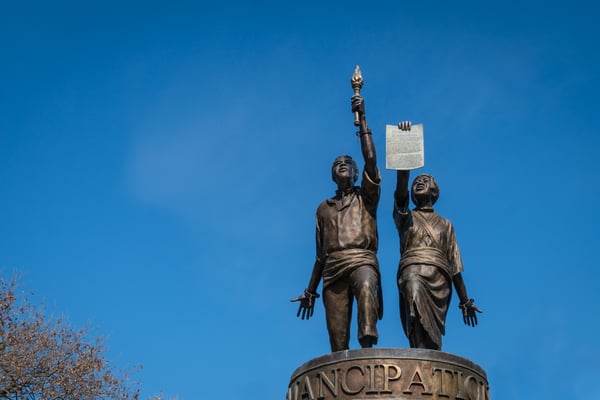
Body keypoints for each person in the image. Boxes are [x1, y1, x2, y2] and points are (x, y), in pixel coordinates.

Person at [292, 94, 383, 352]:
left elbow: (371, 160)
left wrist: (362, 120)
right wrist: (310, 291)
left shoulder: (367, 197)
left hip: (361, 260)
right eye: (337, 164)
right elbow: (320, 256)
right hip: (332, 269)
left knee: (366, 286)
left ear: (356, 174)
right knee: (337, 338)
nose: (342, 165)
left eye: (347, 164)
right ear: (332, 175)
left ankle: (368, 350)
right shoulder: (323, 209)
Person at [393, 125, 482, 350]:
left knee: (432, 334)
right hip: (412, 269)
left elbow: (455, 267)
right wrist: (404, 148)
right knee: (413, 294)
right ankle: (419, 351)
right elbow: (401, 189)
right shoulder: (405, 217)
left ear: (435, 191)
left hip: (439, 279)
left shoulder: (446, 224)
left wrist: (465, 301)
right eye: (416, 183)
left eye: (424, 182)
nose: (418, 184)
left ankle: (428, 356)